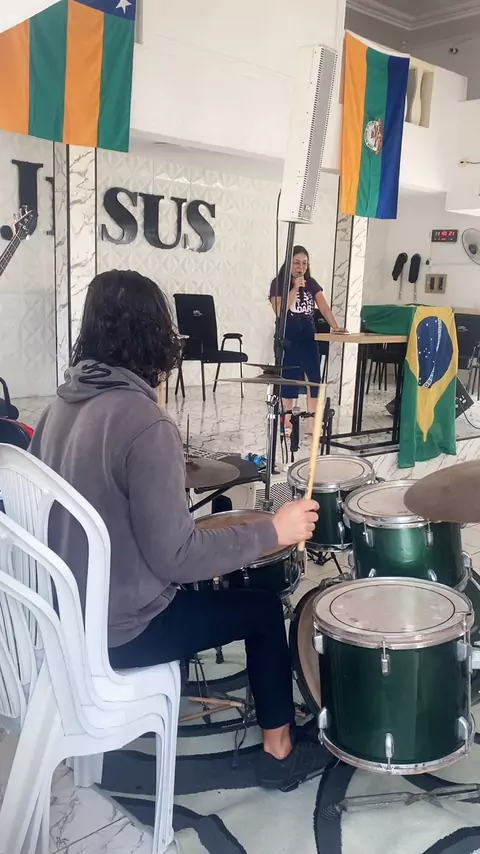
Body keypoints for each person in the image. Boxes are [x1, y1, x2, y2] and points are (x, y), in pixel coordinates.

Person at [29, 269, 327, 791]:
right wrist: (273, 530)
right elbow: (178, 557)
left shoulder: (57, 409)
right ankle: (279, 754)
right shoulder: (144, 422)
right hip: (120, 632)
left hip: (61, 619)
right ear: (154, 332)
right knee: (261, 610)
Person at [270, 245, 345, 433]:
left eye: (304, 263)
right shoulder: (278, 283)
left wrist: (335, 326)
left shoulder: (311, 283)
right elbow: (279, 311)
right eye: (296, 263)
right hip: (288, 336)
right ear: (289, 264)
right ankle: (288, 419)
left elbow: (324, 307)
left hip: (308, 335)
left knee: (313, 378)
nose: (300, 267)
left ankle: (312, 420)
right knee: (289, 377)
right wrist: (295, 288)